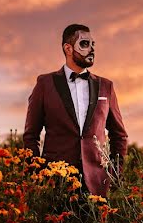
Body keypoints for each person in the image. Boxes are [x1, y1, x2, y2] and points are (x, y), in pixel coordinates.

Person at [23, 24, 128, 196]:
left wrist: (115, 173)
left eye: (93, 44)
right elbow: (30, 135)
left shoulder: (106, 87)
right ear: (68, 48)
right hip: (56, 184)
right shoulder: (45, 84)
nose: (91, 49)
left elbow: (120, 135)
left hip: (97, 186)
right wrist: (37, 174)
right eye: (85, 44)